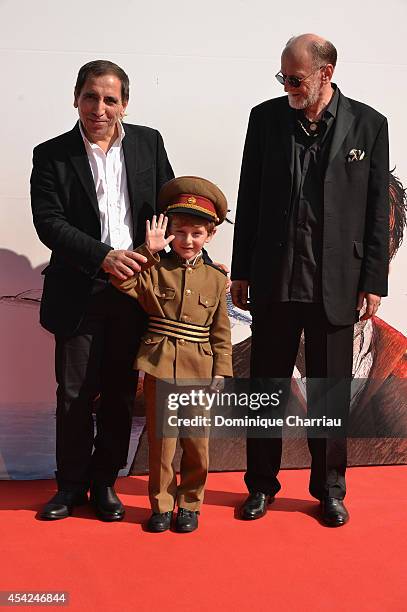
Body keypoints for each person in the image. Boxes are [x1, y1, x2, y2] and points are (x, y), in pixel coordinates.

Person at [231, 33, 389, 526]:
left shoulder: (369, 125)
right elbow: (250, 193)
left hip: (336, 282)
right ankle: (260, 487)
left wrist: (374, 279)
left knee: (328, 393)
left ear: (327, 73)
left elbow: (376, 208)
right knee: (266, 392)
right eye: (282, 77)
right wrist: (241, 269)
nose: (287, 86)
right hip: (275, 279)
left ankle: (329, 490)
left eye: (295, 78)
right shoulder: (265, 119)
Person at [31, 60, 174, 521]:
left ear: (125, 105)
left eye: (110, 99)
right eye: (91, 96)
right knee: (74, 392)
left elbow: (166, 205)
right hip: (79, 289)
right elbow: (49, 223)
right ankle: (69, 486)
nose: (99, 108)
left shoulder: (149, 143)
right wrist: (103, 256)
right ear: (76, 98)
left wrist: (152, 252)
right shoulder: (51, 154)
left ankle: (105, 483)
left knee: (117, 392)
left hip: (134, 291)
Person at [111, 176, 232, 532]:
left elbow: (220, 332)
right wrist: (148, 252)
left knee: (196, 444)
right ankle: (162, 506)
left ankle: (190, 505)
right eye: (179, 232)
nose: (187, 240)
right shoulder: (156, 269)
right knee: (161, 444)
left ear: (209, 236)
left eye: (196, 234)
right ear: (169, 233)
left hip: (199, 369)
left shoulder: (215, 278)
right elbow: (123, 281)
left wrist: (221, 371)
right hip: (160, 366)